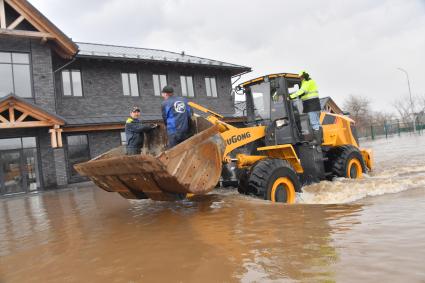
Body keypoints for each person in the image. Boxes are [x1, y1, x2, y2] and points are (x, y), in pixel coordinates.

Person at [289, 70, 322, 143]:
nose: (300, 79)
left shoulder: (307, 82)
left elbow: (302, 91)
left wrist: (291, 96)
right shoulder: (310, 82)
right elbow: (303, 93)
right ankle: (319, 139)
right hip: (313, 103)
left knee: (314, 122)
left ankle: (317, 140)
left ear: (303, 76)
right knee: (316, 122)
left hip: (311, 104)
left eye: (300, 77)